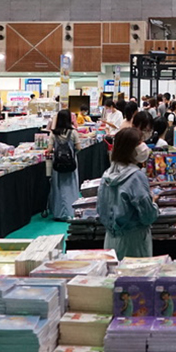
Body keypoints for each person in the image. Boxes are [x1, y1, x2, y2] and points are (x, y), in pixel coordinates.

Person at [97, 128, 159, 258]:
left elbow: (101, 209)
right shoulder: (136, 176)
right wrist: (153, 203)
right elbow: (148, 216)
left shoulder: (107, 175)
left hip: (110, 239)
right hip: (134, 241)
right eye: (139, 143)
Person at [49, 109, 82, 221]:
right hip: (71, 163)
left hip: (58, 164)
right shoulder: (73, 133)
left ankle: (59, 212)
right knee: (71, 186)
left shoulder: (53, 133)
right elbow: (78, 148)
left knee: (58, 187)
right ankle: (71, 211)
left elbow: (49, 149)